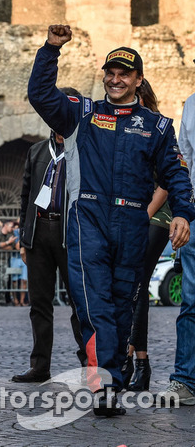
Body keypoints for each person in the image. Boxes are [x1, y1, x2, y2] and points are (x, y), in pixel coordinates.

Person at [28, 24, 195, 415]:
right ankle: (103, 386)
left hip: (134, 222)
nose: (115, 79)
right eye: (110, 73)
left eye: (124, 74)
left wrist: (184, 214)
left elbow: (175, 174)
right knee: (95, 304)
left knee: (122, 307)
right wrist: (51, 49)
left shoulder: (156, 126)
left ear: (138, 80)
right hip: (88, 218)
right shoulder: (81, 113)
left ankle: (111, 383)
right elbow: (39, 94)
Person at [12, 118, 87, 383]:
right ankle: (40, 366)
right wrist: (24, 237)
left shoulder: (82, 150)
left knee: (80, 304)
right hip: (39, 233)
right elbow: (25, 197)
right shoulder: (37, 151)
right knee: (39, 304)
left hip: (71, 234)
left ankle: (89, 366)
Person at [123, 80, 171, 391]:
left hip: (156, 218)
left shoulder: (157, 127)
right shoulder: (121, 127)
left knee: (138, 287)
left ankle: (138, 362)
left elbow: (166, 182)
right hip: (130, 217)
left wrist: (144, 215)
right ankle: (133, 360)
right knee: (131, 290)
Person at [156, 85, 195, 407]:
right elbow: (185, 164)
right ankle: (185, 381)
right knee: (192, 304)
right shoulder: (193, 104)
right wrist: (184, 213)